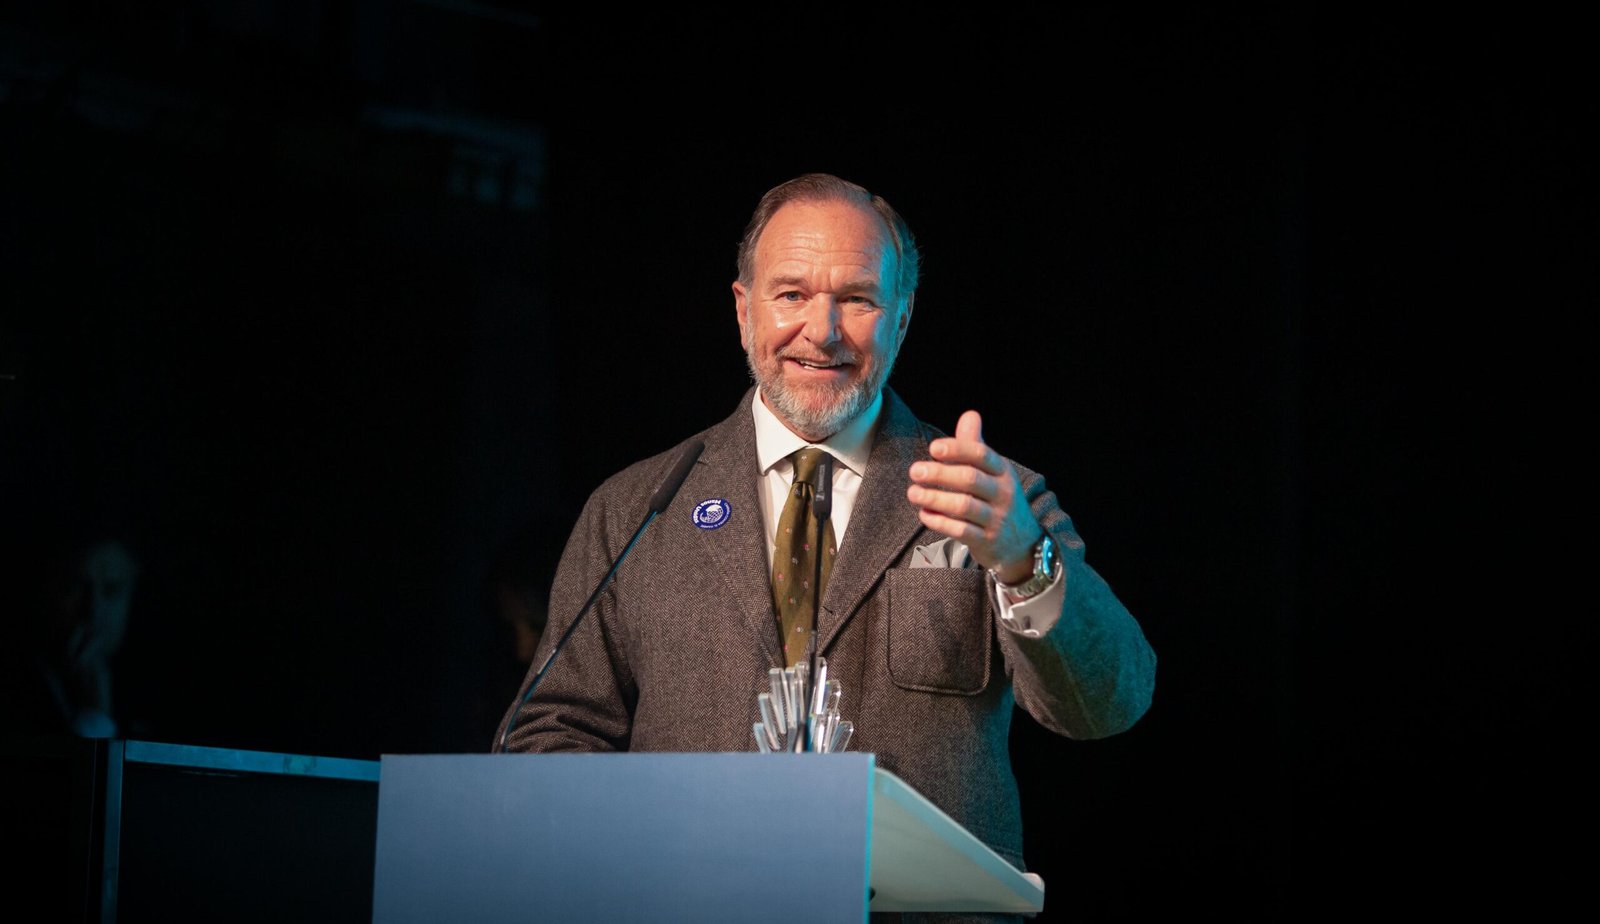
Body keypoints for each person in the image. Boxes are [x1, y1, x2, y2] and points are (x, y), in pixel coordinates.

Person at [496, 174, 1156, 920]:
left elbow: (1109, 702)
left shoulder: (992, 498)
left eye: (859, 299)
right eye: (792, 294)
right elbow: (550, 733)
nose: (823, 330)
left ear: (902, 318)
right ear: (743, 311)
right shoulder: (637, 507)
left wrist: (1022, 560)